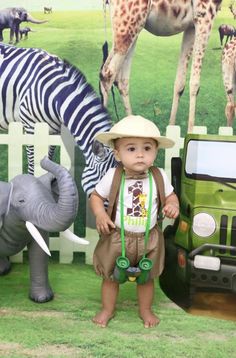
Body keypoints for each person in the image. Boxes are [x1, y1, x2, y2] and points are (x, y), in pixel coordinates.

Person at [90, 115, 179, 328]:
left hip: (149, 238)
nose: (140, 154)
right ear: (117, 154)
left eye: (147, 148)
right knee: (111, 277)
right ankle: (107, 309)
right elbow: (95, 196)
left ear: (155, 152)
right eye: (131, 149)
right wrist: (100, 215)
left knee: (146, 278)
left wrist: (172, 204)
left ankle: (146, 310)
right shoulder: (113, 175)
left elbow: (171, 196)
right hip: (117, 236)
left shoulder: (159, 176)